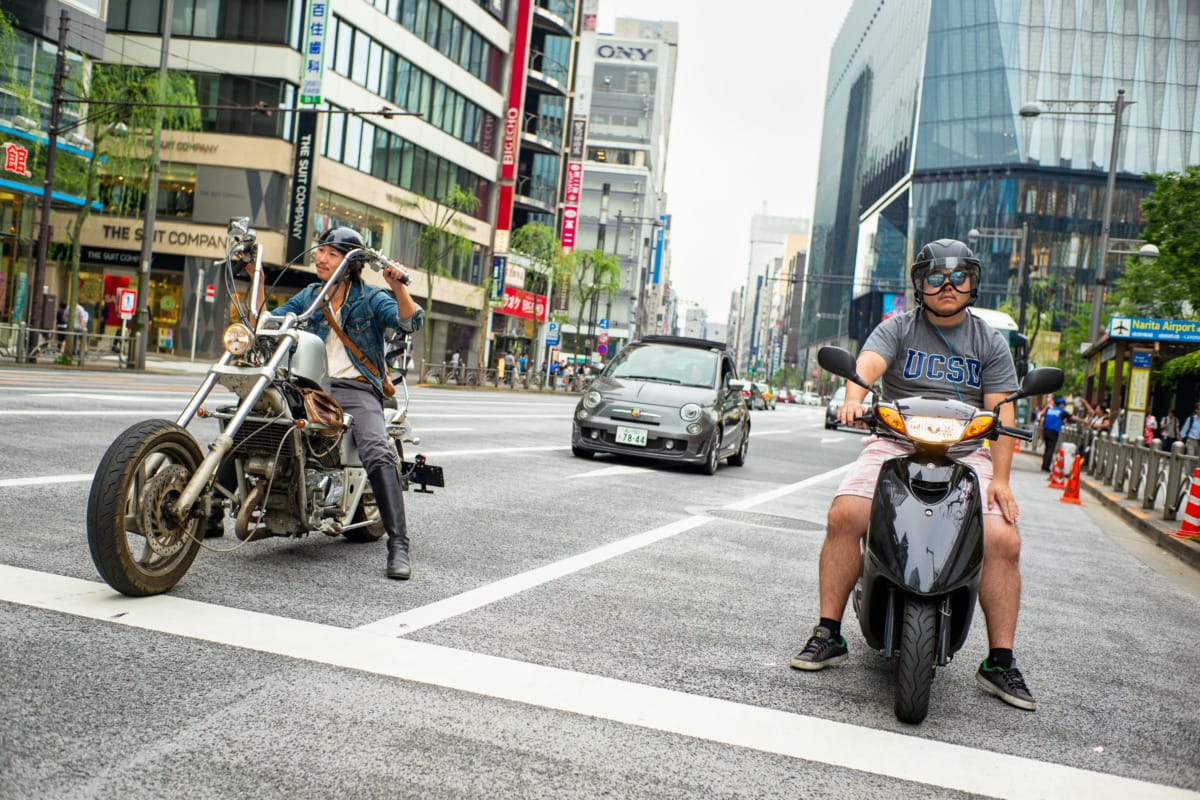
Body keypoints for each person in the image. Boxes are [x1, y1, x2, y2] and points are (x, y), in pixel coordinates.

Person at [789, 239, 1037, 711]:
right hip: (895, 442)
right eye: (936, 277)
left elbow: (1002, 412)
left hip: (966, 452)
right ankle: (828, 631)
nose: (948, 286)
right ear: (919, 284)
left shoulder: (989, 343)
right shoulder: (898, 327)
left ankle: (1000, 660)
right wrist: (855, 396)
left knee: (1005, 541)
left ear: (973, 282)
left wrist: (1002, 480)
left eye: (959, 276)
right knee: (845, 515)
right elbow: (868, 364)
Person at [222, 226, 423, 580]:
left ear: (350, 263)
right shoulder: (310, 295)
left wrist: (398, 286)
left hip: (356, 389)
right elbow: (265, 324)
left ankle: (398, 544)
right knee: (248, 419)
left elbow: (409, 321)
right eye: (321, 250)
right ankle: (207, 508)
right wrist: (256, 277)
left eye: (331, 252)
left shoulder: (371, 298)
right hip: (308, 386)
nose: (321, 257)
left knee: (376, 450)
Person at [1040, 397, 1069, 471]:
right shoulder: (1061, 411)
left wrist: (1042, 430)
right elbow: (1072, 417)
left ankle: (1043, 465)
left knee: (1046, 448)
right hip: (1053, 432)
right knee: (1050, 449)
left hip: (1046, 430)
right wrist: (1083, 421)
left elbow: (1043, 419)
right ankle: (1046, 466)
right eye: (1064, 405)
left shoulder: (1049, 410)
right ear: (1061, 405)